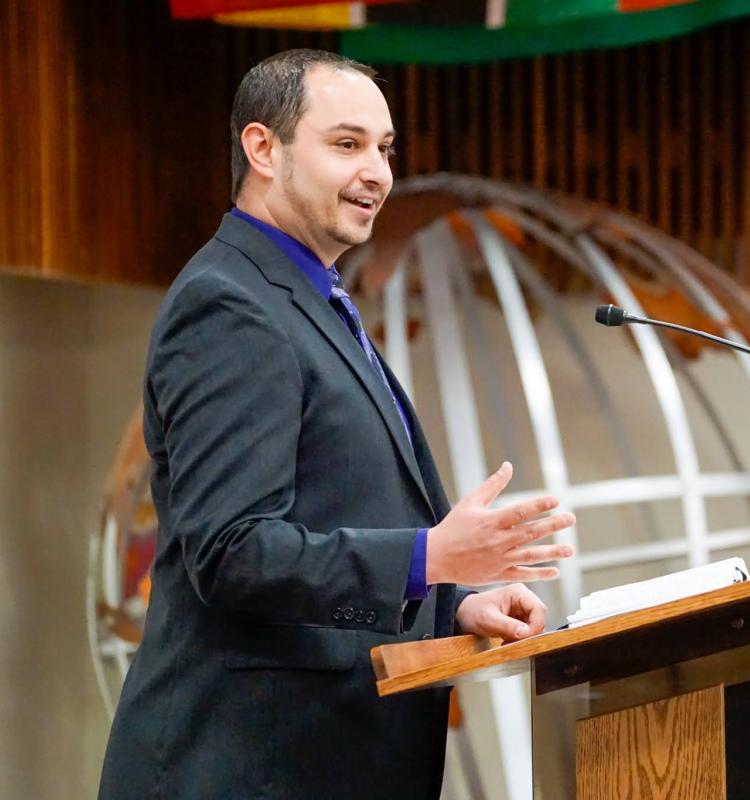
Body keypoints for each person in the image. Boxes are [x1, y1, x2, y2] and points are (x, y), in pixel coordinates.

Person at [98, 48, 575, 799]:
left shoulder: (306, 296)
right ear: (263, 149)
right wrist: (428, 557)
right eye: (347, 144)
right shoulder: (230, 306)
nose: (379, 173)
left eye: (385, 149)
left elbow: (330, 519)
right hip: (247, 770)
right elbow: (232, 553)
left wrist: (451, 601)